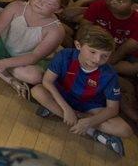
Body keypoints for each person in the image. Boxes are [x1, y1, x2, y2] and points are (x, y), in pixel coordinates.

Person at [31, 25, 133, 157]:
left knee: (125, 130)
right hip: (64, 96)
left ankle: (59, 113)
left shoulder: (109, 74)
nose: (97, 60)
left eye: (105, 56)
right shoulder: (65, 55)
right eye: (93, 52)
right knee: (37, 91)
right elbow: (47, 81)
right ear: (78, 45)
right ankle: (91, 131)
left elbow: (112, 109)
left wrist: (90, 121)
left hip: (90, 106)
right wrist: (66, 109)